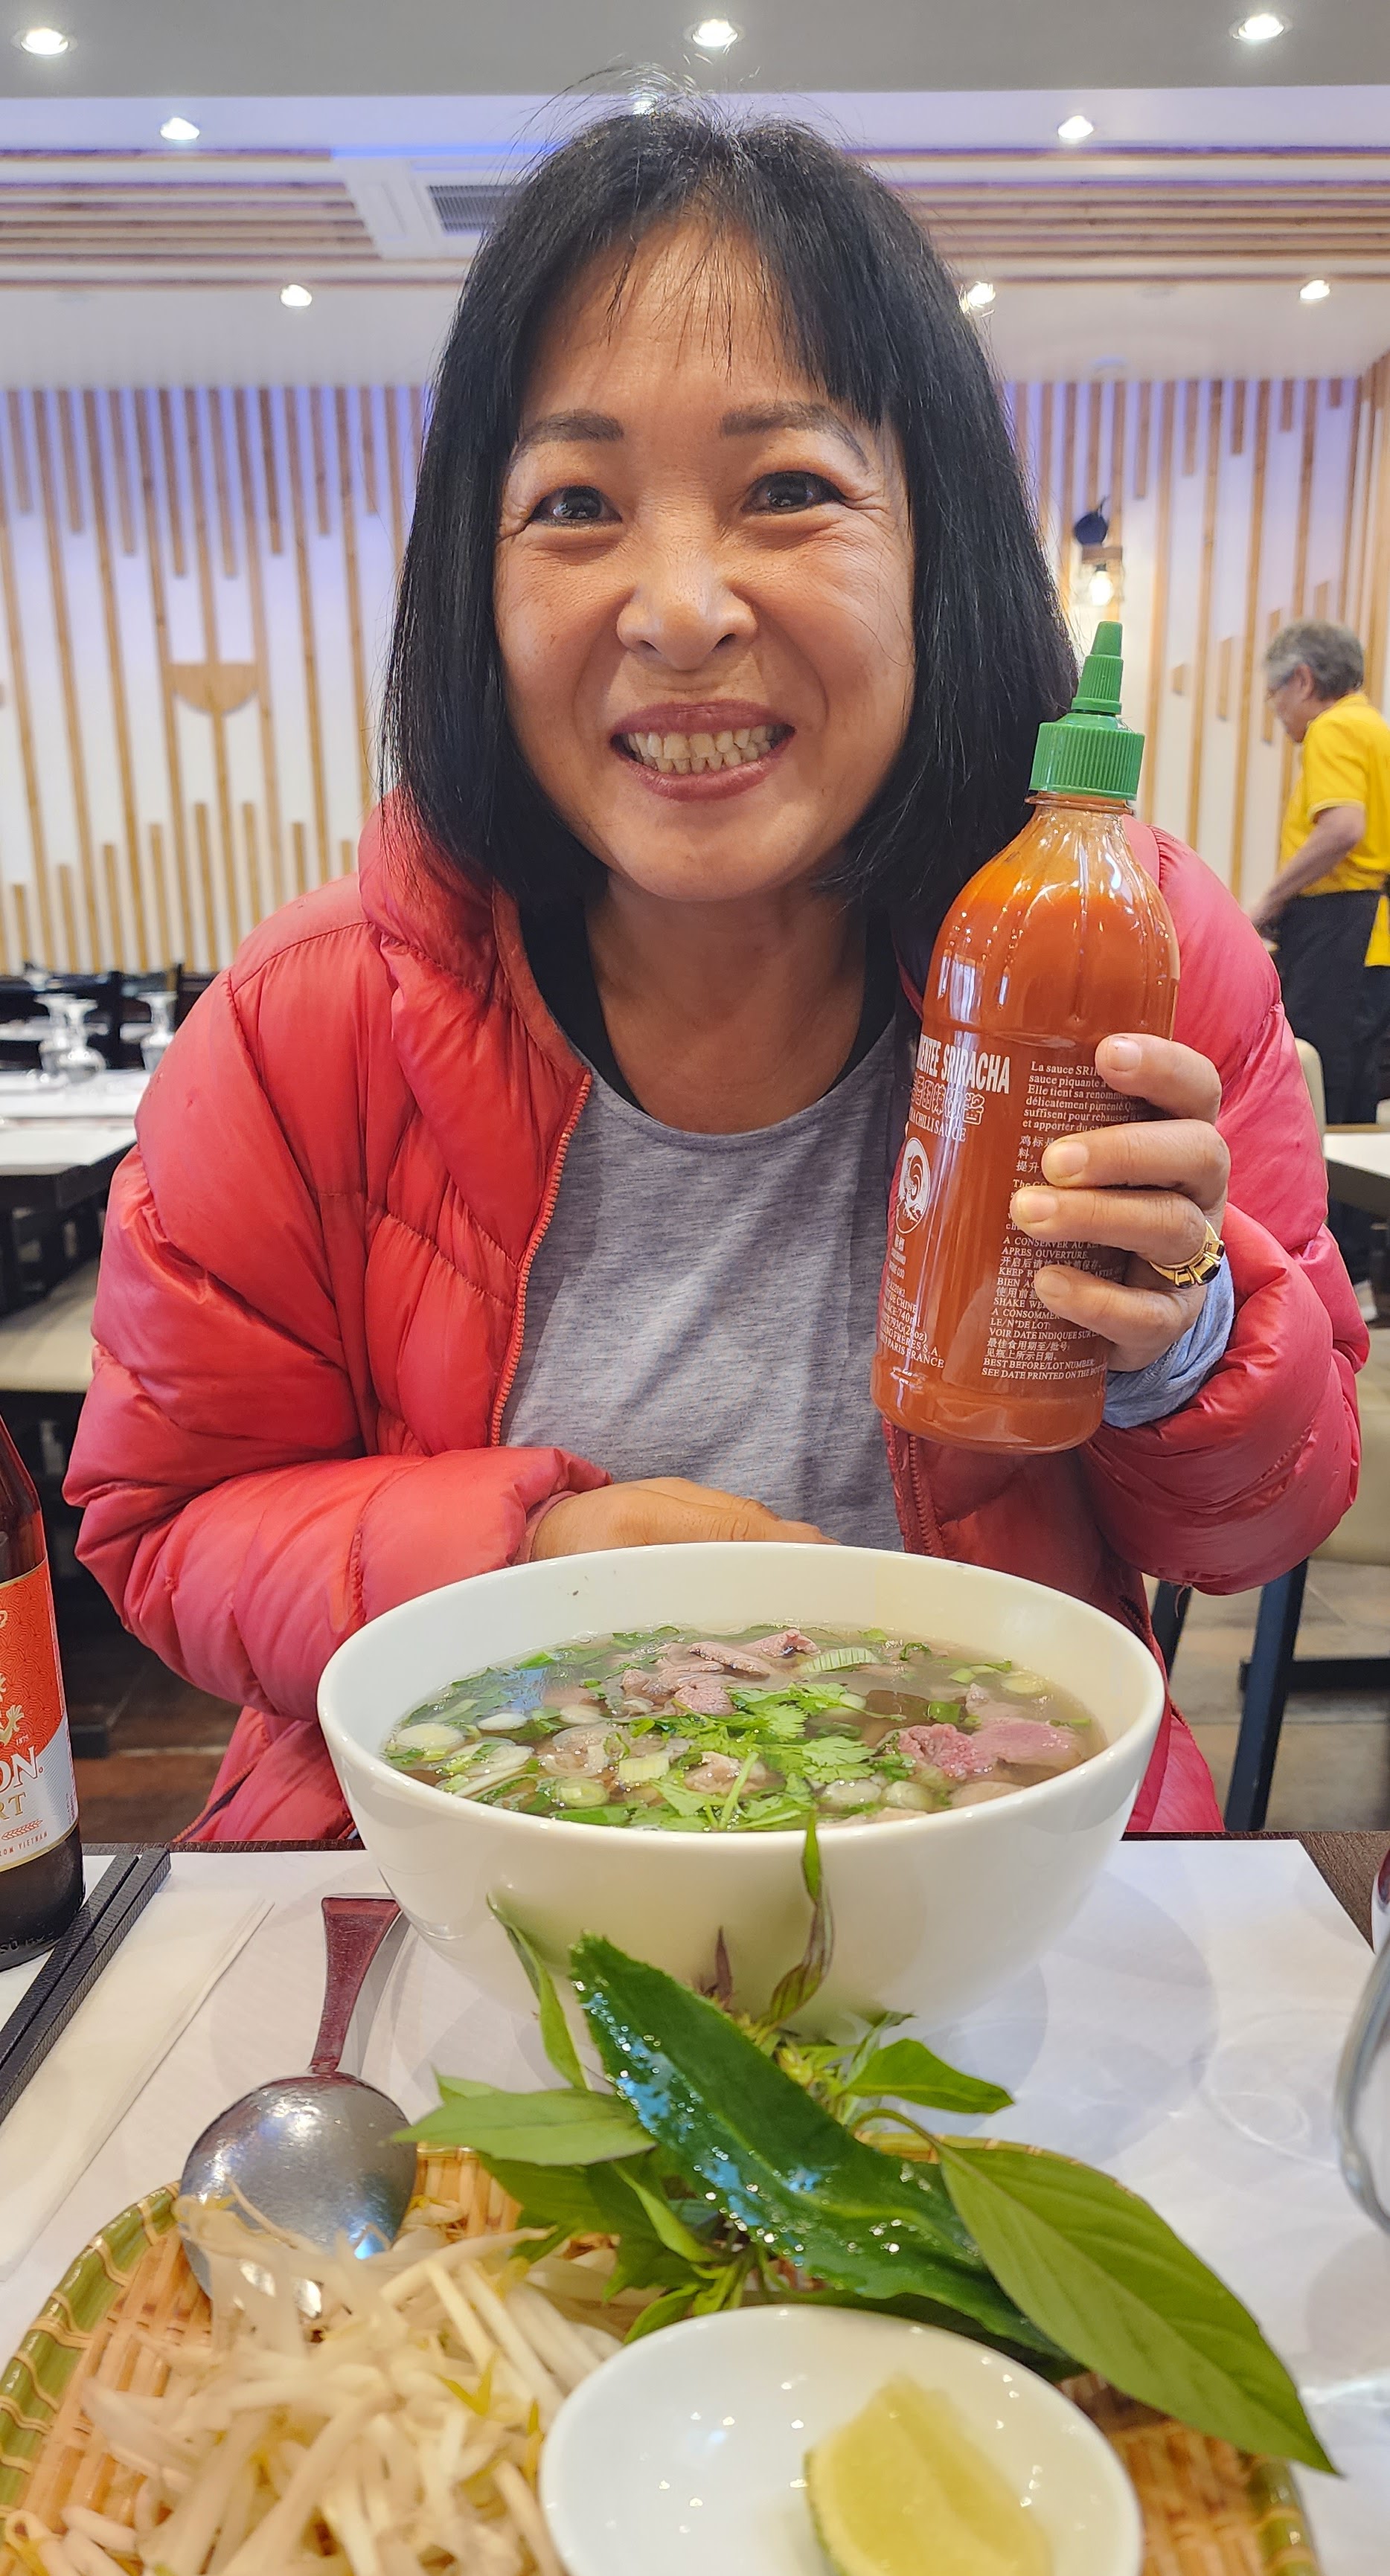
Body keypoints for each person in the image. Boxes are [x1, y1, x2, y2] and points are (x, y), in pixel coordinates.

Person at [65, 108, 1362, 1842]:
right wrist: (527, 1558)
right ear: (475, 586)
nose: (679, 608)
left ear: (939, 550)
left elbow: (1257, 1521)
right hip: (463, 1874)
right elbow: (164, 1523)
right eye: (574, 503)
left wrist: (1177, 1343)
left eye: (788, 490)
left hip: (988, 1867)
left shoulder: (1129, 956)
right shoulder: (308, 1015)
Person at [1249, 618, 1390, 1276]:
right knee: (1355, 1101)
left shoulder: (1333, 728)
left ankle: (1313, 1261)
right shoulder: (1376, 727)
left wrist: (1267, 902)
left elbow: (1343, 828)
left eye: (1275, 694)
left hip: (1339, 931)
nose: (1277, 712)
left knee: (1311, 1094)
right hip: (1373, 938)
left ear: (1302, 680)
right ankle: (1353, 1263)